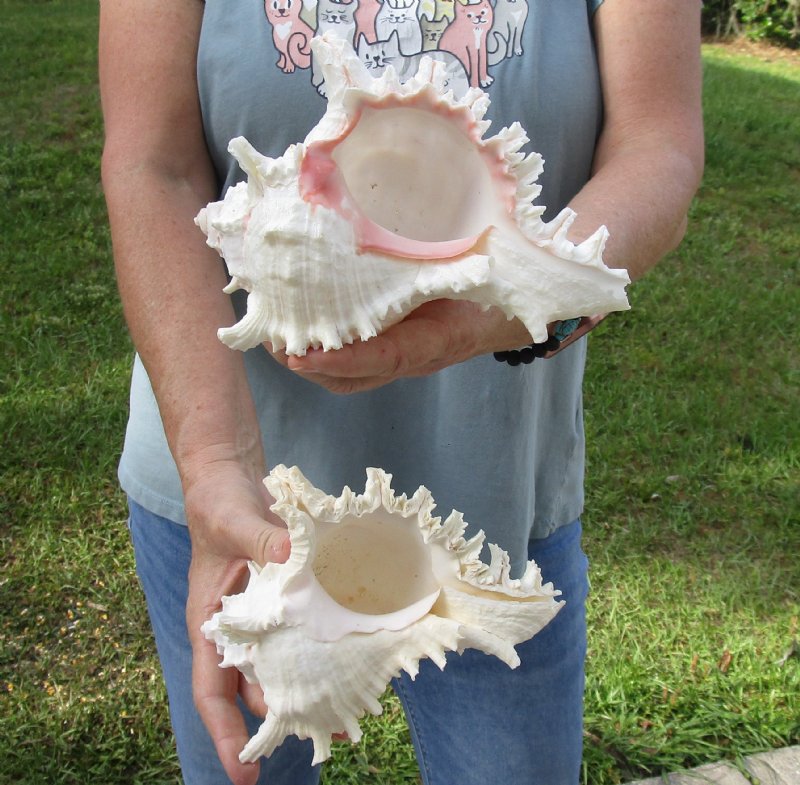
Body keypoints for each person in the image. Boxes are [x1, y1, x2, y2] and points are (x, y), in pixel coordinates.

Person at [98, 1, 704, 783]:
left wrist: (496, 311)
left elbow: (658, 147)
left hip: (499, 500)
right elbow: (151, 162)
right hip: (229, 499)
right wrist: (211, 459)